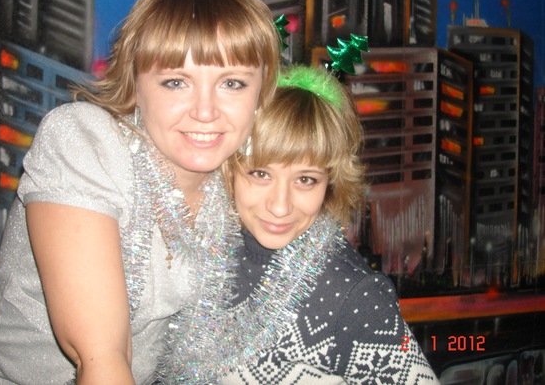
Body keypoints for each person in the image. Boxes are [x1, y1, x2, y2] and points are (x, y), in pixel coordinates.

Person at [0, 0, 281, 385]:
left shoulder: (244, 183)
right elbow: (102, 357)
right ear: (135, 83)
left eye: (232, 83)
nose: (205, 111)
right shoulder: (84, 139)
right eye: (176, 82)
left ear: (260, 95)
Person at [159, 65, 439, 383]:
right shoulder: (197, 251)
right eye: (261, 174)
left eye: (305, 179)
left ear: (330, 183)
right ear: (229, 167)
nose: (280, 206)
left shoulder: (353, 293)